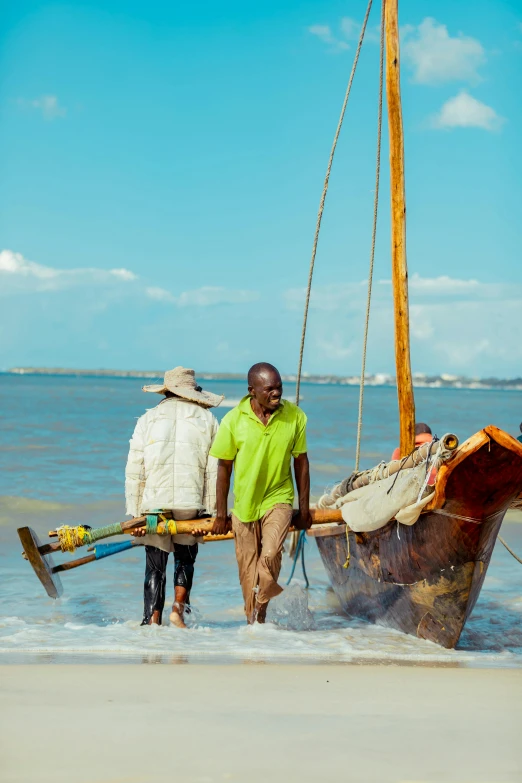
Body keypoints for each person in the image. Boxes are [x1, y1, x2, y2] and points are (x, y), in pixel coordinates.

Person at [208, 362, 311, 624]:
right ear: (252, 391)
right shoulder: (233, 420)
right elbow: (223, 468)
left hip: (279, 498)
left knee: (271, 552)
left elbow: (301, 463)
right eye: (270, 389)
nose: (277, 393)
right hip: (244, 505)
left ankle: (261, 610)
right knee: (247, 574)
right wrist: (221, 514)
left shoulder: (295, 416)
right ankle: (255, 627)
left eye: (279, 388)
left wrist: (305, 508)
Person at [125, 367, 223, 628]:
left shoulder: (148, 419)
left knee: (155, 562)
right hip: (190, 501)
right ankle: (177, 611)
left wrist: (136, 513)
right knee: (185, 556)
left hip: (154, 501)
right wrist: (210, 511)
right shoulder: (208, 420)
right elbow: (214, 470)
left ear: (166, 391)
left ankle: (152, 619)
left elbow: (135, 468)